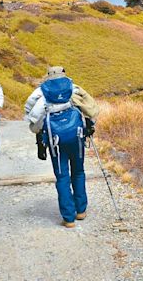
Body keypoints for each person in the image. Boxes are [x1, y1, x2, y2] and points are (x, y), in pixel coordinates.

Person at [25, 66, 99, 228]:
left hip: (56, 141)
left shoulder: (42, 93)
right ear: (64, 75)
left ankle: (68, 217)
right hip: (76, 136)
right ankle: (81, 210)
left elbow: (33, 115)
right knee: (78, 172)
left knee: (62, 176)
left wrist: (36, 131)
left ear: (48, 76)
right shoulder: (73, 88)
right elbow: (90, 108)